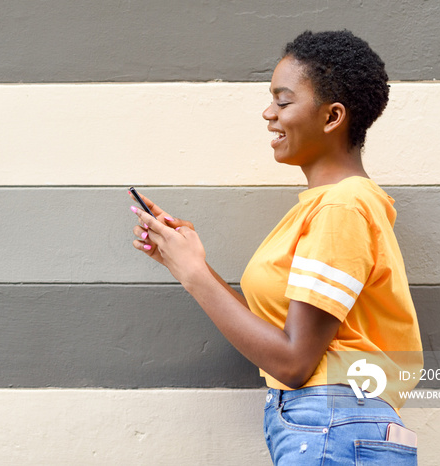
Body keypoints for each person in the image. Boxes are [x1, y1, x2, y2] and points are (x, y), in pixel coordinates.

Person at [130, 30, 422, 465]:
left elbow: (293, 362)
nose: (269, 114)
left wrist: (194, 277)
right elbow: (280, 339)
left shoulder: (342, 207)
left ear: (332, 116)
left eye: (283, 101)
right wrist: (190, 261)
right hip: (331, 427)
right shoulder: (326, 207)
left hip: (331, 426)